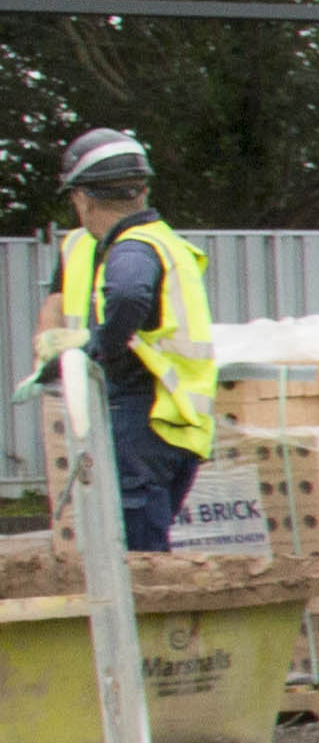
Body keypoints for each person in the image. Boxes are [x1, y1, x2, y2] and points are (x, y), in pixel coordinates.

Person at [43, 129, 211, 551]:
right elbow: (62, 296)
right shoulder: (158, 242)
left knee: (136, 554)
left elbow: (130, 294)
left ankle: (139, 619)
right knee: (139, 543)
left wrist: (98, 349)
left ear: (83, 198)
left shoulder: (133, 249)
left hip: (145, 413)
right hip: (170, 419)